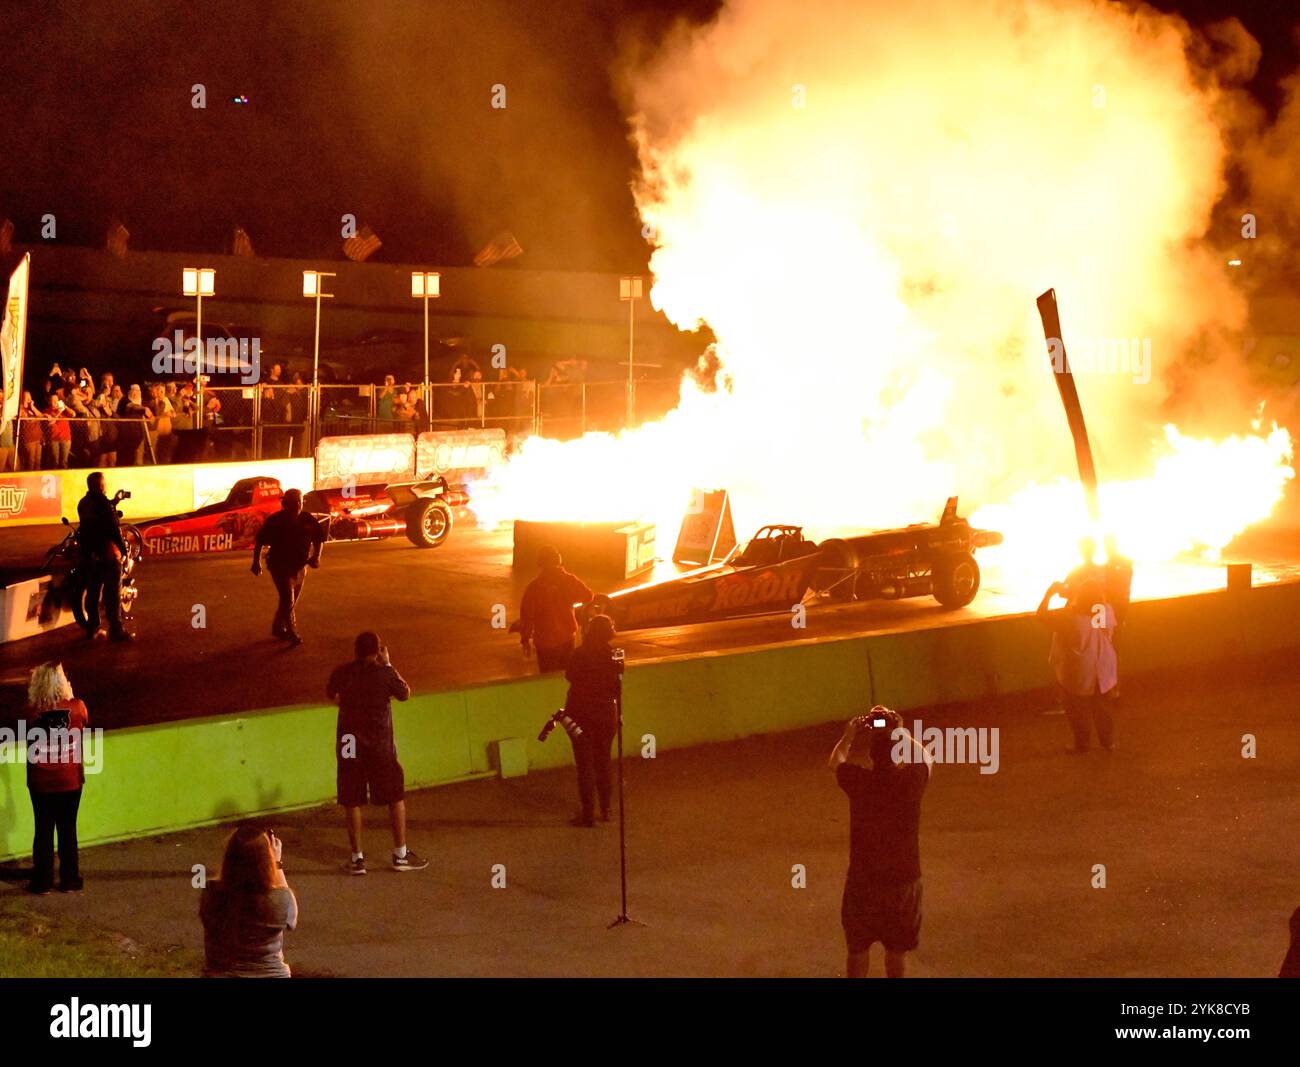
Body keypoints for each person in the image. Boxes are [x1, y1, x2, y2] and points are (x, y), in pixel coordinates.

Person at [828, 707, 931, 978]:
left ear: (871, 756)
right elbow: (927, 759)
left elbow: (836, 761)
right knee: (897, 951)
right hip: (904, 880)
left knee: (858, 948)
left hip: (864, 880)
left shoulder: (859, 781)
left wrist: (849, 736)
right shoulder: (912, 781)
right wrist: (900, 730)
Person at [327, 631, 428, 874]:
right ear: (378, 651)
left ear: (355, 650)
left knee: (352, 801)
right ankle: (400, 855)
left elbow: (332, 694)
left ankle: (357, 859)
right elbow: (405, 693)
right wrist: (389, 663)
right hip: (380, 747)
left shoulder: (342, 673)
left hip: (350, 745)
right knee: (395, 798)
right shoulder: (385, 674)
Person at [199, 824, 298, 978]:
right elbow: (292, 919)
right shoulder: (278, 900)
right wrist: (277, 864)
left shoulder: (211, 895)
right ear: (266, 860)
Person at [24, 663, 90, 894]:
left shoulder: (31, 712)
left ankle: (42, 880)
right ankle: (69, 879)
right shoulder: (77, 707)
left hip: (40, 781)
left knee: (43, 829)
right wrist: (70, 697)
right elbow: (84, 721)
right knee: (67, 829)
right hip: (69, 779)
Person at [1038, 576, 1118, 753]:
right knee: (1103, 706)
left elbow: (1041, 615)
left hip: (1079, 670)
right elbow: (1090, 607)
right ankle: (1108, 742)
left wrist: (1050, 594)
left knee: (1077, 708)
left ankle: (1082, 745)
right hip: (1104, 667)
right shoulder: (1106, 610)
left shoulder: (1069, 617)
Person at [562, 615, 625, 827]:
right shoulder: (616, 654)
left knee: (584, 764)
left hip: (581, 712)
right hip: (606, 712)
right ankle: (606, 809)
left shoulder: (579, 653)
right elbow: (619, 682)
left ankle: (588, 813)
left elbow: (570, 676)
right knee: (603, 760)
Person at [251, 488, 324, 646]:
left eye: (300, 501)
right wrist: (255, 562)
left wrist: (316, 556)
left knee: (288, 601)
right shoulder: (276, 520)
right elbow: (260, 542)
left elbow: (319, 538)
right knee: (288, 600)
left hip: (300, 567)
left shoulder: (307, 519)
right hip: (280, 566)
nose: (298, 505)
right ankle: (293, 633)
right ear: (286, 504)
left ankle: (278, 627)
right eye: (294, 502)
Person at [514, 546, 592, 673]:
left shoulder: (534, 587)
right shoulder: (569, 580)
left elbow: (527, 615)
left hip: (545, 642)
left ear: (540, 563)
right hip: (567, 638)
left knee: (548, 678)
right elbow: (588, 596)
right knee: (566, 676)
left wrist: (525, 639)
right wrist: (569, 599)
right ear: (558, 560)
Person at [77, 471, 132, 641]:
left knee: (93, 591)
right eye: (105, 484)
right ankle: (116, 629)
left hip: (92, 555)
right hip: (108, 554)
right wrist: (124, 551)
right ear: (101, 486)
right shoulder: (103, 504)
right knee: (112, 593)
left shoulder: (83, 503)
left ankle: (93, 627)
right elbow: (113, 529)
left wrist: (114, 502)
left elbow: (97, 515)